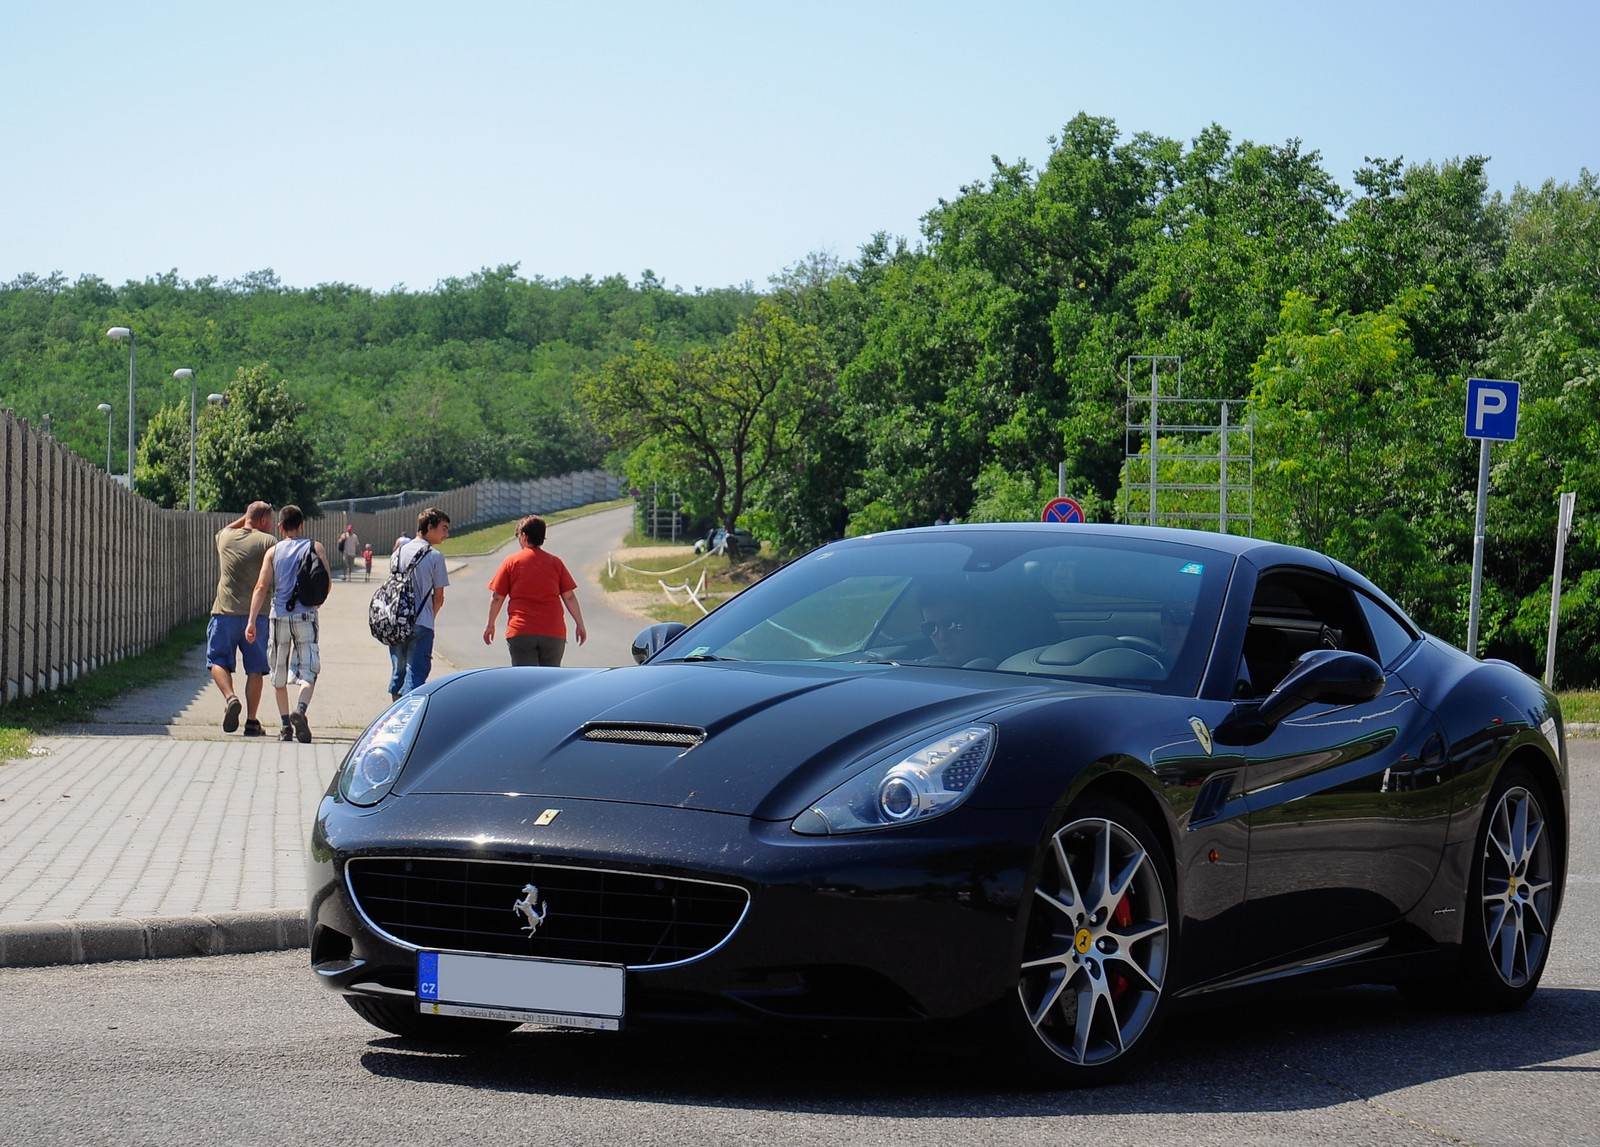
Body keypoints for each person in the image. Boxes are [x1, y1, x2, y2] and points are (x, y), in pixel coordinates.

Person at [244, 505, 328, 743]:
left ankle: (285, 727)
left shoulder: (273, 551)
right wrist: (315, 604)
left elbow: (261, 587)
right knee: (309, 668)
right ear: (302, 525)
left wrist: (251, 621)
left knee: (278, 671)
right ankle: (300, 710)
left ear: (280, 527)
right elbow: (326, 582)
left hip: (278, 615)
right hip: (306, 615)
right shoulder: (315, 547)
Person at [207, 501, 276, 737]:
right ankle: (251, 721)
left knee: (217, 661)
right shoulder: (268, 542)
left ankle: (230, 697)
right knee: (255, 670)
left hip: (224, 613)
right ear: (264, 521)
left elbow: (226, 528)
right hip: (256, 617)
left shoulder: (225, 538)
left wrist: (247, 517)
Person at [482, 514, 588, 666]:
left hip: (521, 631)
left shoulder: (511, 562)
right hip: (553, 631)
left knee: (525, 680)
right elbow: (569, 596)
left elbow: (498, 597)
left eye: (518, 536)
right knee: (550, 681)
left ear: (524, 536)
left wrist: (490, 624)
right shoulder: (555, 562)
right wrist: (580, 624)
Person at [388, 508, 451, 700]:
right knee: (416, 674)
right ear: (429, 527)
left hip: (396, 622)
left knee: (398, 673)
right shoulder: (435, 556)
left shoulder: (397, 554)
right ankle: (409, 721)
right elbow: (439, 597)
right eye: (444, 528)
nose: (446, 534)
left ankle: (394, 716)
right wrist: (430, 618)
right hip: (421, 622)